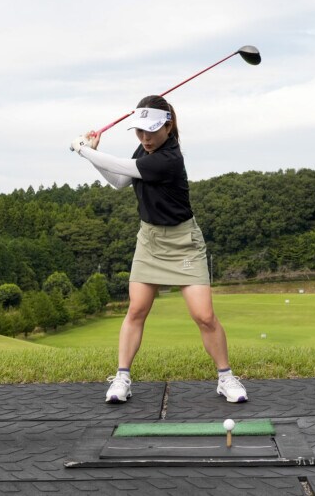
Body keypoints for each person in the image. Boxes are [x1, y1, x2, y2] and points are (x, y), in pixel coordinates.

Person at [71, 95, 248, 404]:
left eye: (151, 132)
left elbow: (125, 166)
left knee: (205, 316)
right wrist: (91, 154)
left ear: (169, 126)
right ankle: (122, 377)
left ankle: (225, 377)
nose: (145, 139)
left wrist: (84, 150)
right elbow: (120, 180)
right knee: (137, 310)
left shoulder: (169, 159)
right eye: (140, 132)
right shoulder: (147, 148)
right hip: (150, 240)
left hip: (183, 243)